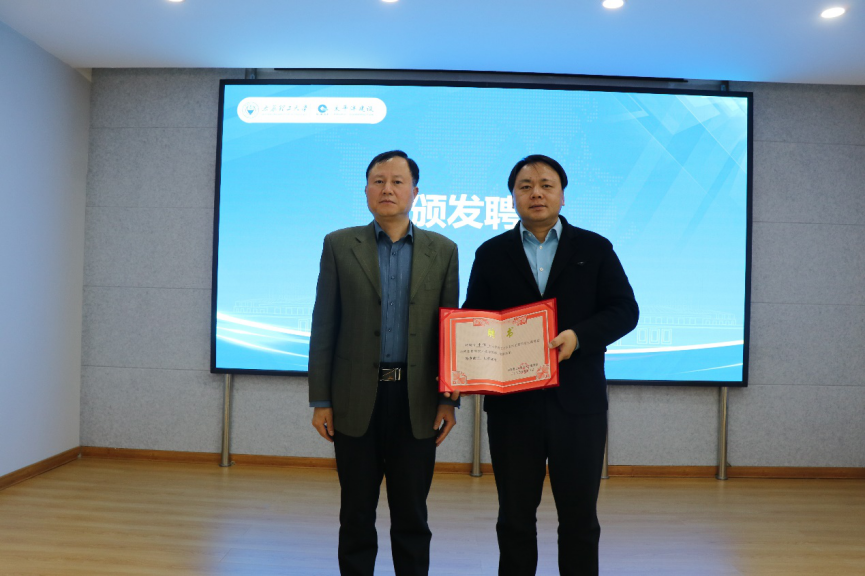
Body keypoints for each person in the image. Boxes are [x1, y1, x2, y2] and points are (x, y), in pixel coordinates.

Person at [463, 155, 638, 576]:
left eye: (546, 185)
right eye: (525, 186)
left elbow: (624, 310)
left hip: (578, 406)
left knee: (579, 519)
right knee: (514, 518)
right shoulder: (491, 253)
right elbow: (474, 317)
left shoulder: (595, 248)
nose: (536, 193)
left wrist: (579, 337)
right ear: (512, 197)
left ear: (562, 194)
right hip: (512, 408)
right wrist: (461, 355)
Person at [308, 150, 460, 576]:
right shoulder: (339, 245)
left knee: (412, 513)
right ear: (366, 190)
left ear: (415, 191)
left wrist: (449, 400)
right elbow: (324, 324)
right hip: (356, 397)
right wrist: (321, 399)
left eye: (397, 181)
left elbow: (450, 331)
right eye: (378, 181)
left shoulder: (443, 250)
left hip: (417, 400)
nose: (387, 189)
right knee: (356, 511)